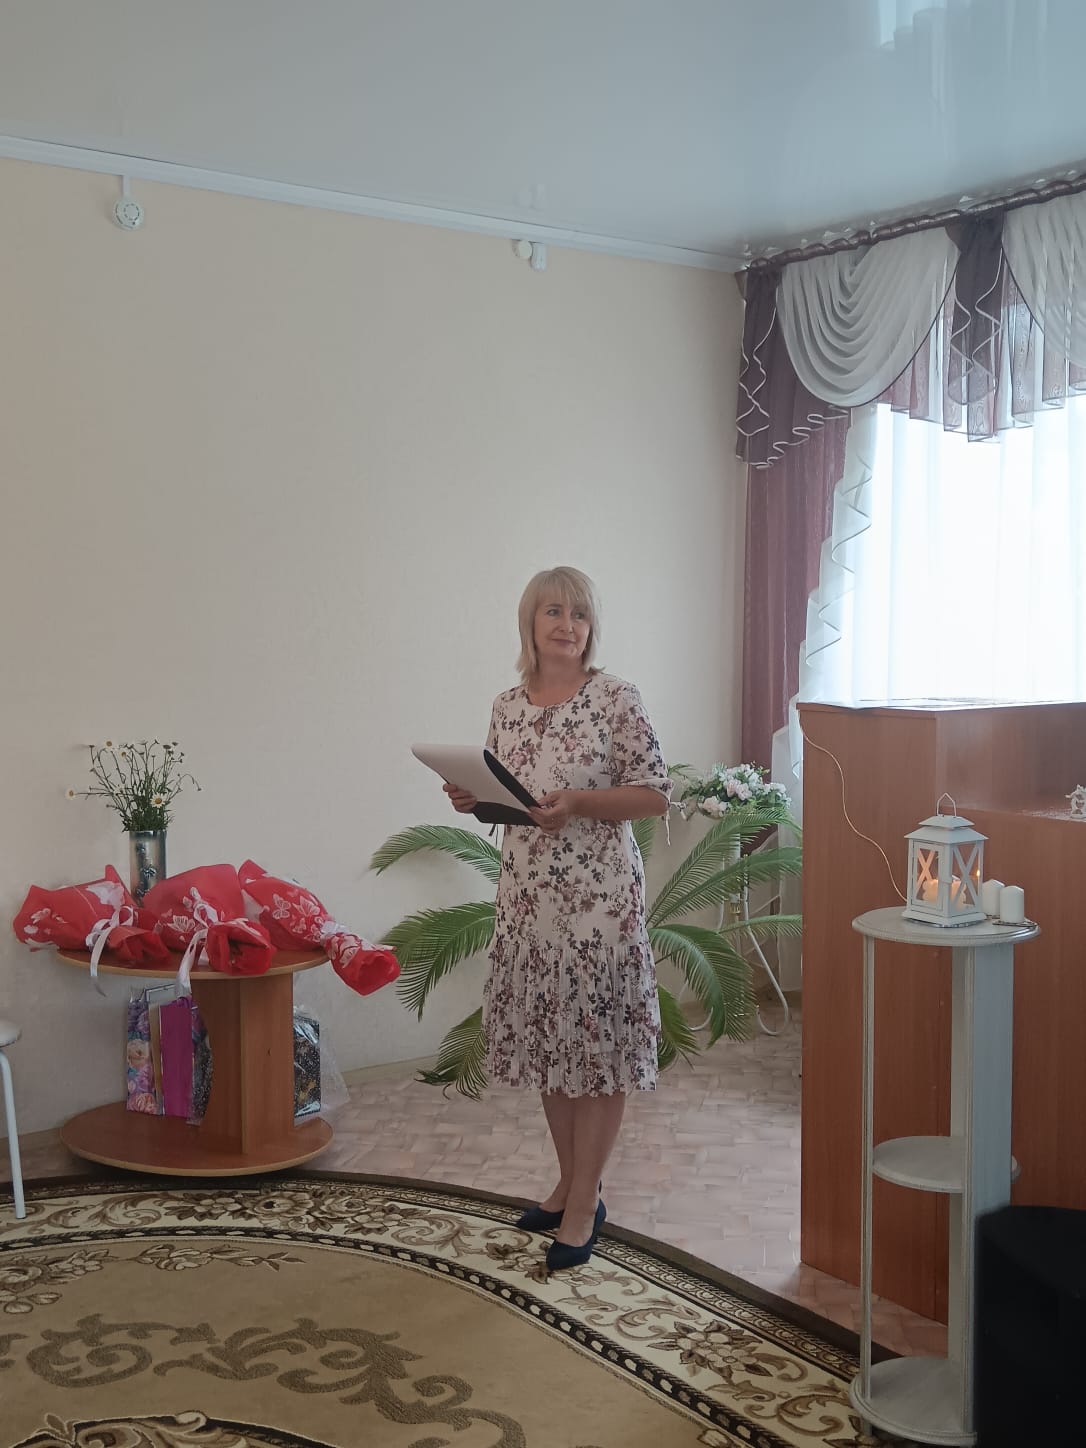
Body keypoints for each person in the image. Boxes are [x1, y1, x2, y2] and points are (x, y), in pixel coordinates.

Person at [444, 566, 670, 1271]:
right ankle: (572, 1184)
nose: (566, 625)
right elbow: (508, 799)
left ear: (591, 627)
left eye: (578, 613)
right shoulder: (506, 707)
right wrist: (473, 800)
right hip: (528, 904)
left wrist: (578, 803)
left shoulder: (615, 698)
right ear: (530, 623)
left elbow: (654, 793)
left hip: (599, 907)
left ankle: (584, 1202)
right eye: (553, 611)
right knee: (552, 1044)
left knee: (596, 1053)